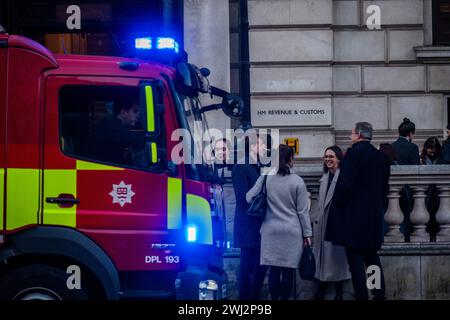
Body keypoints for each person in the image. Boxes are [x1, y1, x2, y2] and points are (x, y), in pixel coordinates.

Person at [325, 122, 391, 300]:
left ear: (359, 135)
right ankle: (378, 294)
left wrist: (338, 206)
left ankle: (362, 296)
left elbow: (345, 186)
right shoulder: (381, 157)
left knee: (355, 263)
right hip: (373, 217)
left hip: (354, 218)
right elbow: (385, 189)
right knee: (372, 259)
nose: (350, 136)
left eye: (352, 133)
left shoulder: (353, 155)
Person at [246, 145, 312, 300]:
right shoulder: (298, 182)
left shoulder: (266, 177)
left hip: (270, 231)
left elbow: (248, 197)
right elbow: (302, 212)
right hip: (292, 231)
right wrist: (307, 234)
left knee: (274, 271)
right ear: (290, 159)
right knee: (288, 271)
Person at [312, 146, 351, 300]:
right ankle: (321, 291)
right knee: (323, 259)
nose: (328, 159)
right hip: (322, 225)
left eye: (331, 157)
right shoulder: (324, 178)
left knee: (337, 259)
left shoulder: (343, 178)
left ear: (339, 159)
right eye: (326, 156)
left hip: (337, 224)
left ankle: (339, 292)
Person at [232, 136, 268, 300]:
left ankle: (253, 296)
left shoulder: (254, 166)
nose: (264, 148)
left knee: (257, 264)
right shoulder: (242, 166)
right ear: (253, 146)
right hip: (248, 224)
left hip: (255, 224)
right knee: (248, 264)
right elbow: (242, 197)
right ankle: (246, 299)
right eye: (261, 145)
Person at [391, 118, 420, 241]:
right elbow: (416, 170)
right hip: (407, 189)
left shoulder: (391, 146)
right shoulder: (413, 147)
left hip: (393, 188)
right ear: (411, 134)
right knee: (407, 216)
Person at [93, 100, 146, 166]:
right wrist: (153, 139)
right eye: (135, 111)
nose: (138, 116)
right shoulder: (110, 126)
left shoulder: (115, 124)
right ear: (123, 112)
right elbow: (131, 137)